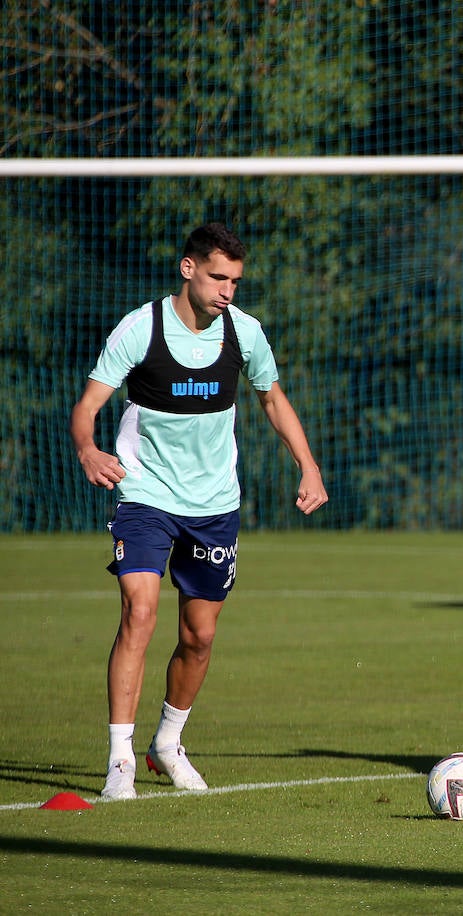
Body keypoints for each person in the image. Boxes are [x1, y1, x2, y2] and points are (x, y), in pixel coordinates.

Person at [70, 222, 328, 801]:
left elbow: (272, 397)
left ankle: (168, 743)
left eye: (235, 280)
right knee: (140, 612)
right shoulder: (142, 329)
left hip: (213, 504)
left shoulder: (244, 333)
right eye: (218, 277)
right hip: (145, 494)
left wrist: (308, 467)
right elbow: (88, 405)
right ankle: (120, 764)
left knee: (200, 636)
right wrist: (88, 449)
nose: (227, 290)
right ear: (188, 269)